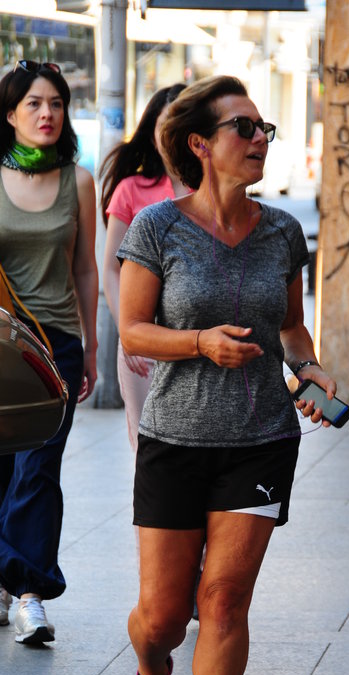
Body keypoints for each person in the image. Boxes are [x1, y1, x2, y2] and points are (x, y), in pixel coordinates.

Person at [117, 75, 337, 675]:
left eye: (263, 127)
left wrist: (309, 370)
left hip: (260, 439)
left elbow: (291, 327)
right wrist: (199, 343)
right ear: (200, 145)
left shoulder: (282, 232)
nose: (259, 139)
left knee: (225, 599)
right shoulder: (159, 228)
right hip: (175, 439)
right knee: (162, 616)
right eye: (243, 127)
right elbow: (133, 331)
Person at [0, 60, 98, 643]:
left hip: (55, 344)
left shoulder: (77, 181)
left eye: (57, 103)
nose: (47, 113)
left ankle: (29, 593)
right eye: (34, 104)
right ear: (10, 114)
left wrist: (89, 345)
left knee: (39, 467)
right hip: (0, 341)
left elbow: (84, 268)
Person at [100, 84, 188, 450]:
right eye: (165, 124)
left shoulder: (215, 192)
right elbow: (111, 269)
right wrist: (130, 333)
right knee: (148, 452)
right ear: (152, 132)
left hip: (198, 342)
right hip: (143, 344)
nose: (173, 134)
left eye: (183, 123)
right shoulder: (130, 189)